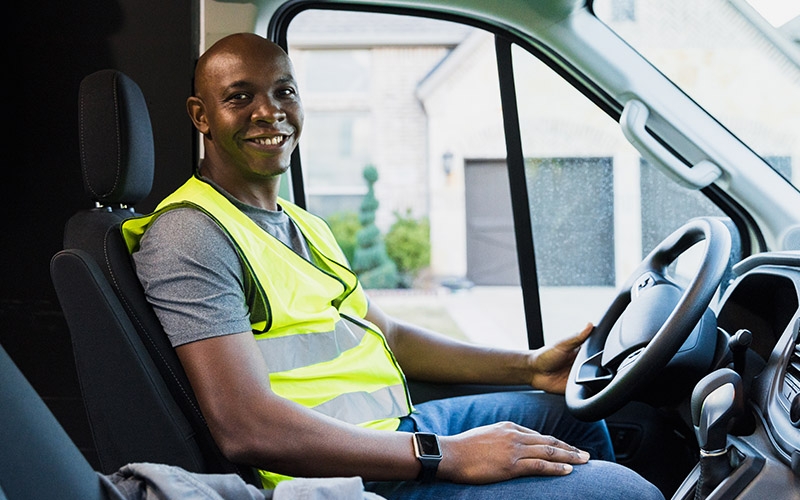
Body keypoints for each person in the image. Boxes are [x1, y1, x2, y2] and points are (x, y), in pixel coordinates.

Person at [122, 32, 663, 500]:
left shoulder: (301, 224)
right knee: (629, 492)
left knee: (572, 412)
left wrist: (528, 366)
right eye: (240, 97)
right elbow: (247, 428)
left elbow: (393, 336)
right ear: (202, 116)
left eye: (284, 91)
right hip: (341, 478)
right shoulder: (190, 235)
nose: (270, 111)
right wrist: (445, 455)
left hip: (391, 432)